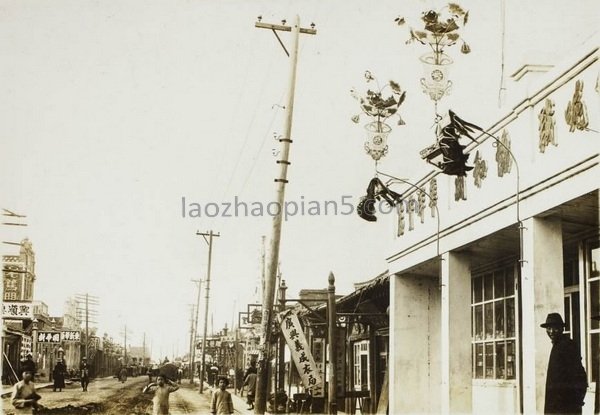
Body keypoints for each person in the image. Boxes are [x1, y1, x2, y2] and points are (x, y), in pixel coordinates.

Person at [541, 312, 588, 414]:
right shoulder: (557, 345)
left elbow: (580, 375)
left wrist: (576, 401)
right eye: (548, 328)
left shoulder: (567, 345)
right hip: (556, 405)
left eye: (555, 328)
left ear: (562, 329)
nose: (551, 331)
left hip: (565, 407)